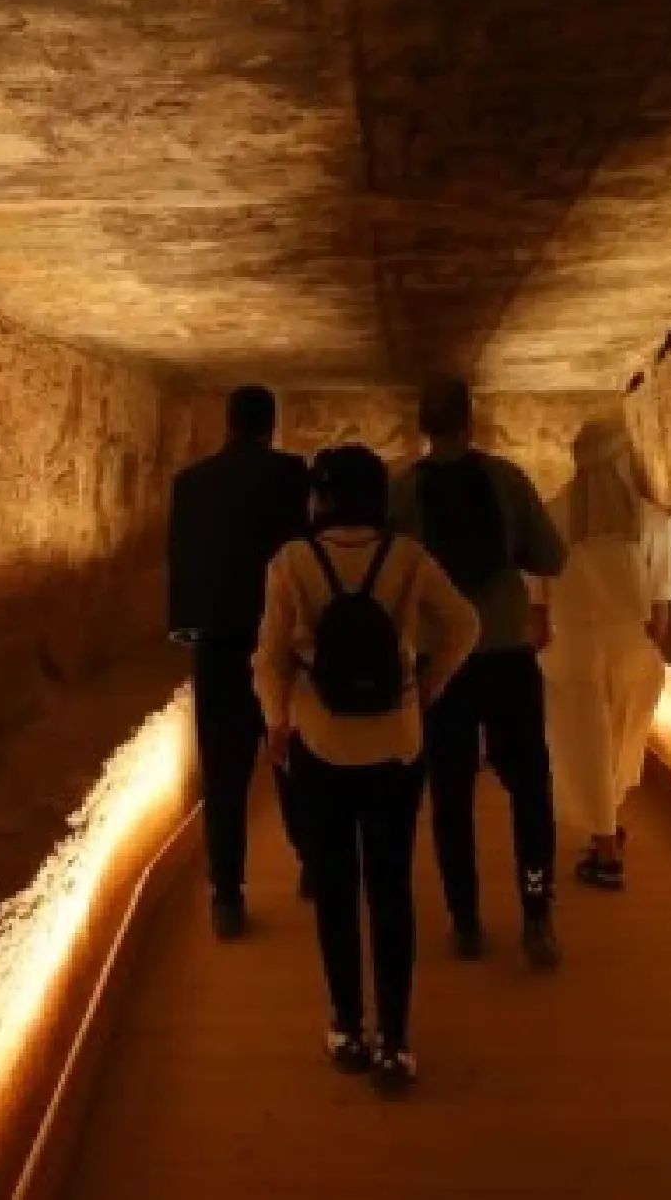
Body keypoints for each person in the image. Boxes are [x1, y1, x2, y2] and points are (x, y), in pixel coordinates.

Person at [254, 445, 479, 1093]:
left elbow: (269, 657)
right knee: (390, 887)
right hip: (395, 742)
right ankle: (398, 1040)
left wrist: (277, 721)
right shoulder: (406, 557)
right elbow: (463, 622)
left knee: (334, 886)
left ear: (320, 496)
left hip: (320, 741)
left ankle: (347, 1026)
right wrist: (428, 682)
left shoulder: (293, 562)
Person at [391, 377, 568, 967]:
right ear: (471, 422)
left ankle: (465, 920)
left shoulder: (405, 492)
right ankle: (537, 912)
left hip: (439, 658)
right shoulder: (506, 479)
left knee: (449, 790)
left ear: (423, 426)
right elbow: (551, 556)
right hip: (505, 649)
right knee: (529, 784)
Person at [167, 385, 312, 940]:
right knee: (292, 757)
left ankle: (226, 894)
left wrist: (186, 627)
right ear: (270, 425)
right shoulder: (292, 476)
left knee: (223, 774)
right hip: (279, 642)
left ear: (228, 424)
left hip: (220, 643)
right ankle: (313, 865)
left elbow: (181, 560)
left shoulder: (193, 483)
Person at [533, 416, 671, 890]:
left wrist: (548, 649)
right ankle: (606, 841)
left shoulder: (550, 518)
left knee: (585, 750)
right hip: (631, 647)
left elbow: (537, 602)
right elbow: (662, 604)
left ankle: (605, 845)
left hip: (571, 646)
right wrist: (649, 651)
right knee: (618, 746)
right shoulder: (653, 521)